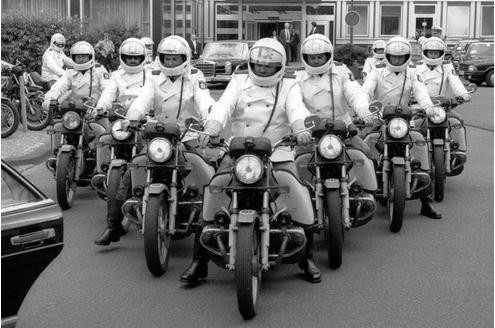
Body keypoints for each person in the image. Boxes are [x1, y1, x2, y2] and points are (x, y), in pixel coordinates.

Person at [180, 38, 322, 285]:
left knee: (298, 191)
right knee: (214, 191)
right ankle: (199, 261)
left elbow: (296, 109)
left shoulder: (290, 85)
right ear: (251, 63)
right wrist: (211, 128)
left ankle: (305, 258)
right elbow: (223, 106)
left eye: (269, 66)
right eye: (259, 65)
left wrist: (300, 128)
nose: (263, 69)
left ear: (280, 66)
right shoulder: (238, 81)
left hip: (277, 150)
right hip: (239, 152)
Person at [94, 35, 215, 246]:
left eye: (175, 58)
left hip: (188, 133)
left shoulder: (195, 76)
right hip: (160, 134)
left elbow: (204, 101)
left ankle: (209, 220)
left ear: (184, 58)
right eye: (166, 58)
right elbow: (144, 99)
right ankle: (113, 225)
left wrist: (210, 123)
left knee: (206, 169)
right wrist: (132, 117)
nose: (170, 62)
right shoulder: (155, 76)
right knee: (134, 171)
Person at [361, 36, 442, 220]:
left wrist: (429, 108)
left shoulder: (412, 72)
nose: (397, 60)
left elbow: (421, 91)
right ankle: (364, 189)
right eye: (393, 57)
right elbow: (366, 90)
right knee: (364, 144)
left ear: (407, 57)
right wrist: (364, 111)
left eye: (401, 57)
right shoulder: (377, 70)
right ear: (387, 56)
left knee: (421, 144)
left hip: (404, 121)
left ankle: (426, 202)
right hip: (380, 119)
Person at [295, 34, 374, 154]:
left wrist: (363, 110)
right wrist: (300, 127)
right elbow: (295, 104)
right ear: (305, 58)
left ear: (328, 56)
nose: (316, 61)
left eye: (320, 57)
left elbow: (354, 92)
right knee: (299, 162)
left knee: (366, 153)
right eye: (312, 57)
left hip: (342, 128)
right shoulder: (298, 75)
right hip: (311, 131)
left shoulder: (341, 70)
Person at [43, 41, 110, 168]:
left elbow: (107, 88)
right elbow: (59, 86)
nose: (80, 59)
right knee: (57, 127)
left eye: (83, 56)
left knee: (104, 136)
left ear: (90, 56)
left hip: (96, 112)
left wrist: (101, 106)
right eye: (77, 57)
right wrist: (49, 99)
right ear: (73, 58)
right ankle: (56, 156)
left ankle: (103, 167)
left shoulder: (99, 70)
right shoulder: (69, 72)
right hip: (76, 113)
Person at [414, 37, 471, 174]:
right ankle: (415, 158)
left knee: (456, 122)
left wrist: (463, 94)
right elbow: (414, 86)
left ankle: (458, 152)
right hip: (419, 106)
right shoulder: (416, 67)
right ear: (425, 53)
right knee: (412, 128)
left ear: (441, 53)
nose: (433, 55)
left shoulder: (447, 67)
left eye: (436, 53)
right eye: (430, 52)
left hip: (442, 106)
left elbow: (455, 82)